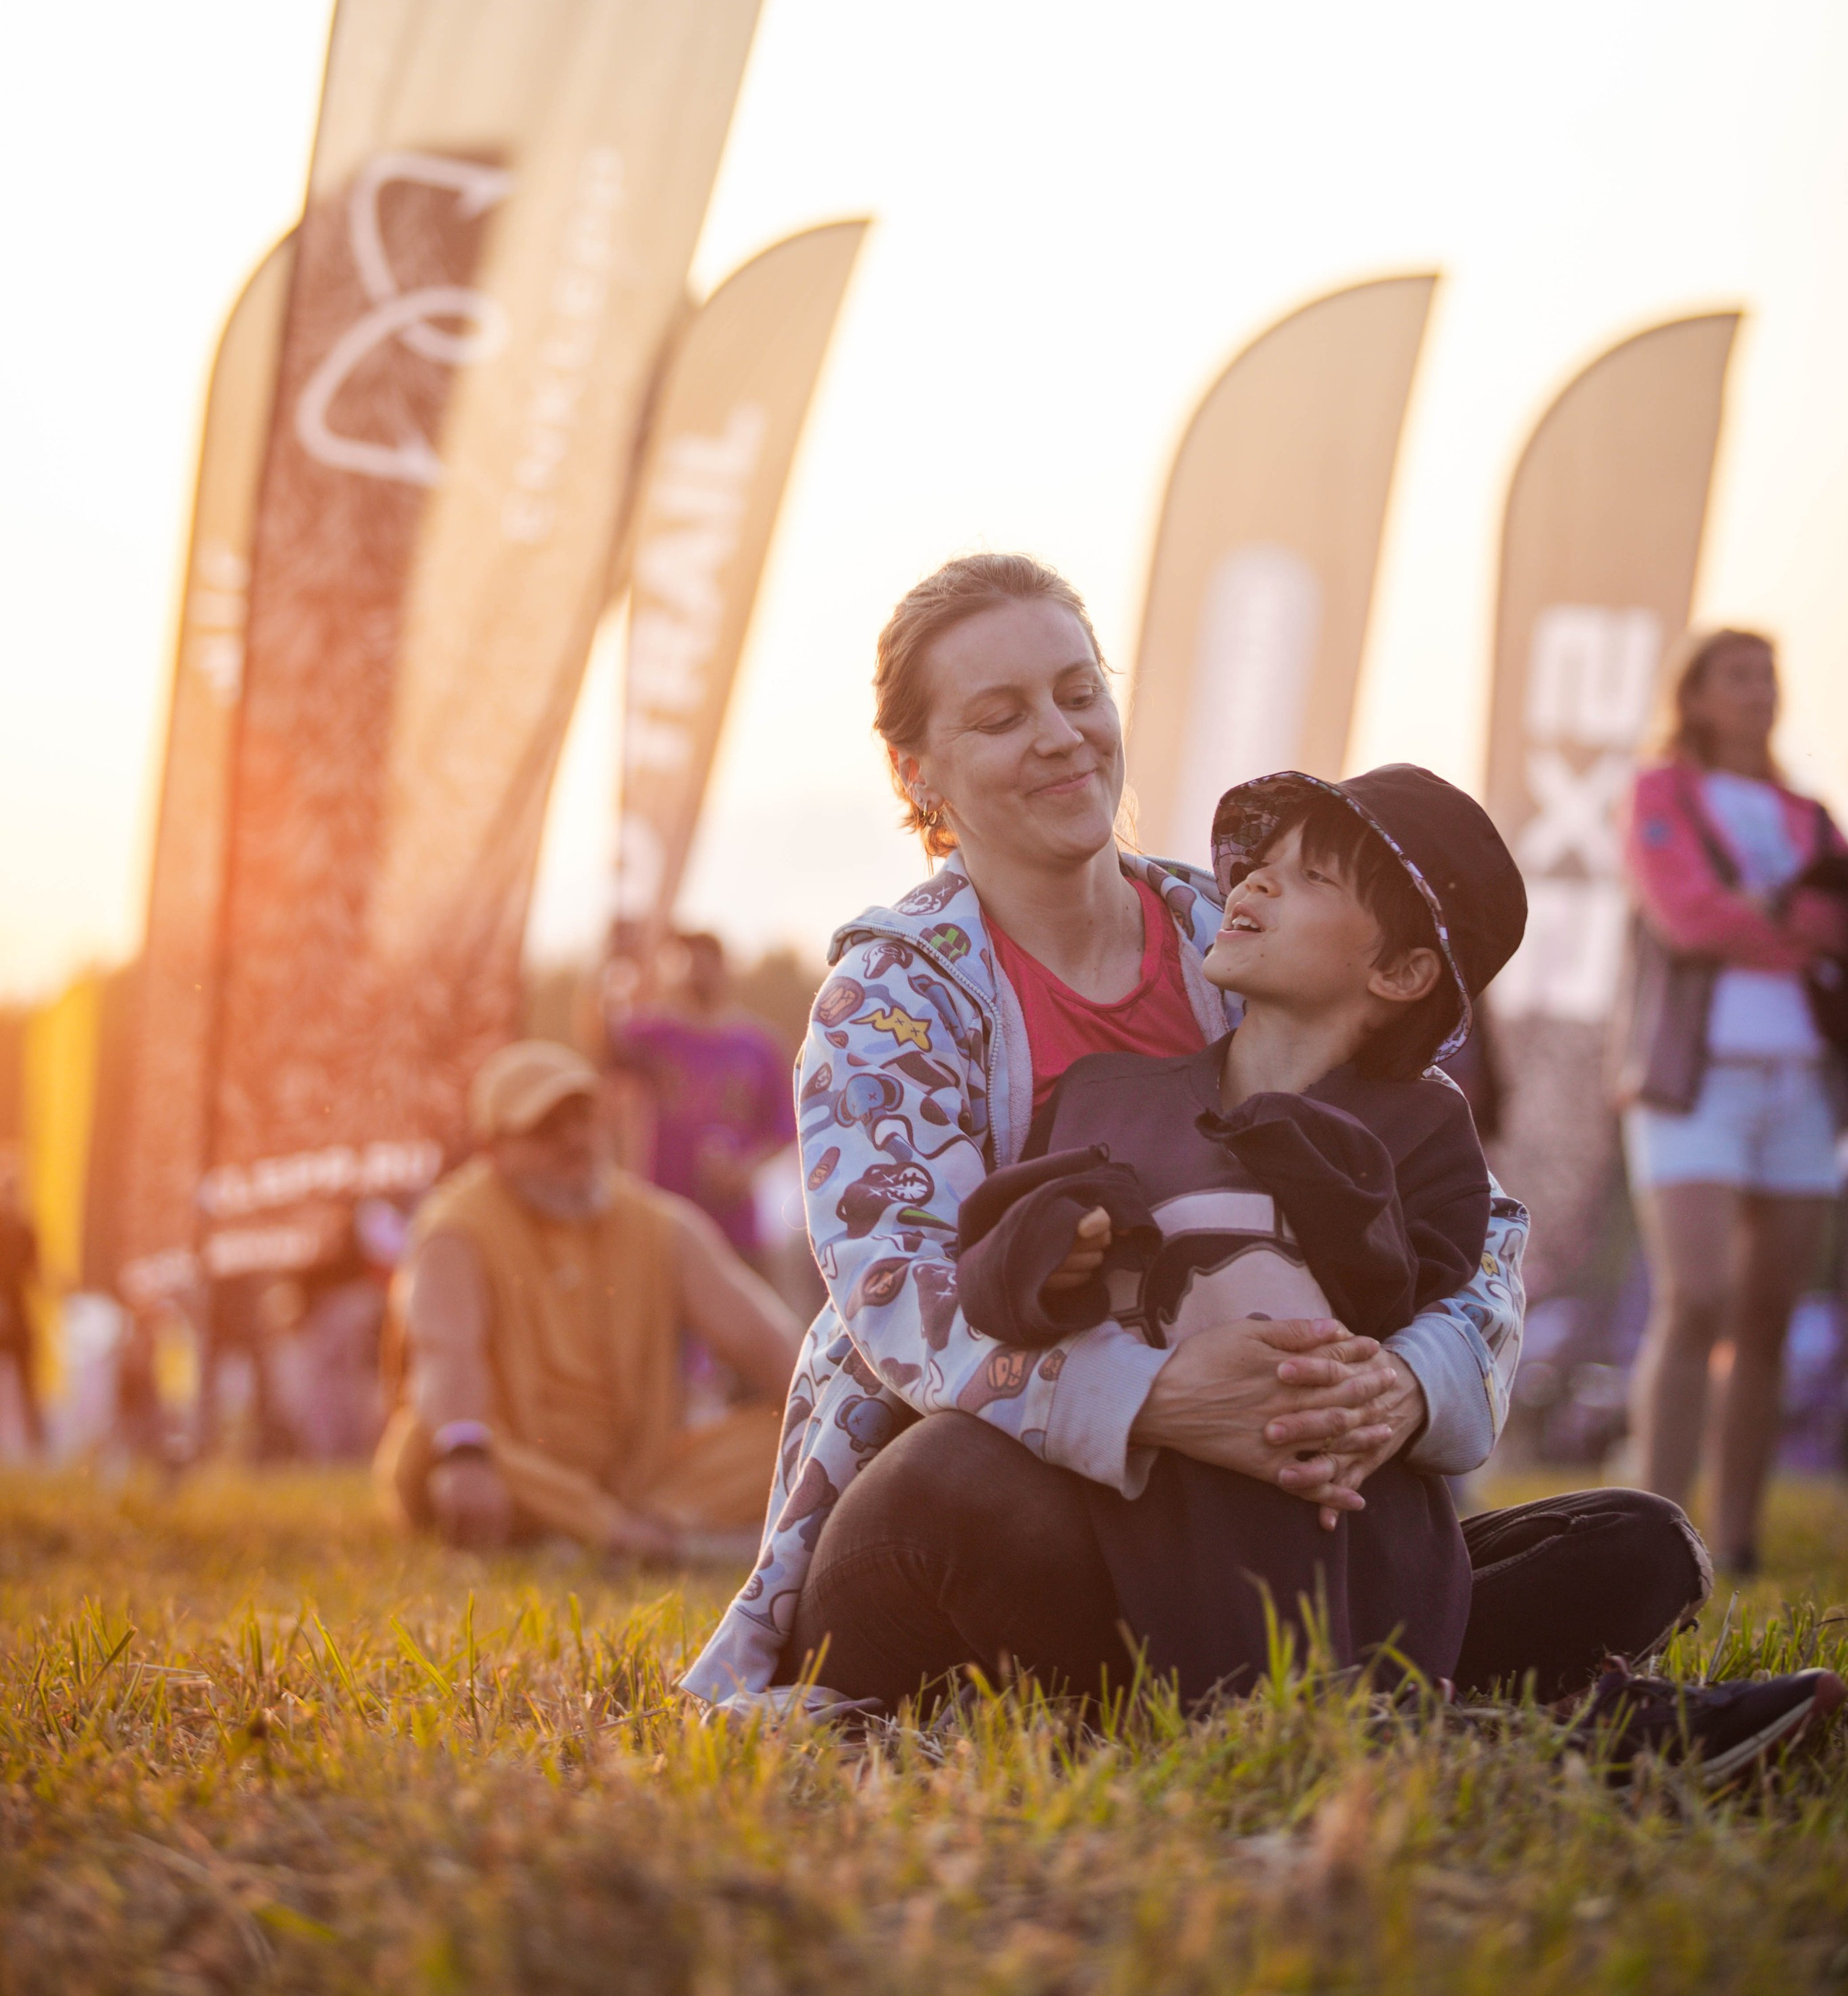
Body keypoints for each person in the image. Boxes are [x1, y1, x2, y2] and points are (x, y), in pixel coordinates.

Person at [682, 554, 1712, 1720]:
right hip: (984, 1514)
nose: (1064, 735)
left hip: (1252, 1523)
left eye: (1079, 690)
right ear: (921, 772)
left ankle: (1327, 1692)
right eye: (1002, 715)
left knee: (1629, 1543)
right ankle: (1458, 1721)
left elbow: (1466, 1214)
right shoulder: (889, 1002)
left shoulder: (1247, 932)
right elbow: (900, 1295)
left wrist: (1404, 1386)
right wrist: (1159, 1395)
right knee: (948, 1486)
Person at [955, 765, 1523, 1705]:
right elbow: (991, 1281)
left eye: (1309, 878)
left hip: (1347, 1534)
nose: (1253, 880)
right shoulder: (1111, 1095)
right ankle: (1454, 1718)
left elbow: (1403, 1293)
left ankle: (1398, 1708)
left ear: (1401, 971)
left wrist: (1307, 1163)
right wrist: (1053, 1256)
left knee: (1638, 1543)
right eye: (1259, 863)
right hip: (1138, 1537)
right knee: (1207, 1415)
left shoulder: (1426, 1130)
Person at [376, 1040, 802, 1557]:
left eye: (584, 1119)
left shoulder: (662, 1227)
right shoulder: (455, 1228)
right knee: (435, 1438)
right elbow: (447, 1357)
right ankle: (635, 1540)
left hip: (638, 1483)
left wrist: (845, 1418)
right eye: (546, 1128)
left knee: (807, 1435)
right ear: (491, 1148)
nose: (574, 1140)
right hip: (507, 1473)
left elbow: (768, 1343)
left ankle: (617, 1535)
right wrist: (466, 1454)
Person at [1618, 628, 1848, 1575]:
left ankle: (1739, 1539)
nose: (1759, 692)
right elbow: (1687, 915)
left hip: (1801, 1085)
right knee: (1696, 1296)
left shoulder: (1810, 813)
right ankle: (1648, 1535)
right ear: (1698, 696)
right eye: (1738, 676)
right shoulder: (1658, 794)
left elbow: (1838, 919)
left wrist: (1757, 917)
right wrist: (1790, 923)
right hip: (1691, 1083)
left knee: (1767, 1316)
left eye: (1768, 676)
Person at [606, 932, 796, 1267]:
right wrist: (616, 966)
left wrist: (745, 1170)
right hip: (664, 1217)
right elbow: (603, 1042)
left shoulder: (757, 1045)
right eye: (689, 963)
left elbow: (784, 1128)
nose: (697, 973)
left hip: (734, 1228)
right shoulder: (658, 1034)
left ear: (724, 969)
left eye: (706, 963)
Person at [0, 1151, 42, 1455]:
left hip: (18, 1312)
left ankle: (37, 1446)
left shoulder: (26, 1228)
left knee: (29, 1381)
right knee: (28, 1381)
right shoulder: (20, 1226)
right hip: (11, 1310)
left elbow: (35, 1273)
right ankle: (36, 1445)